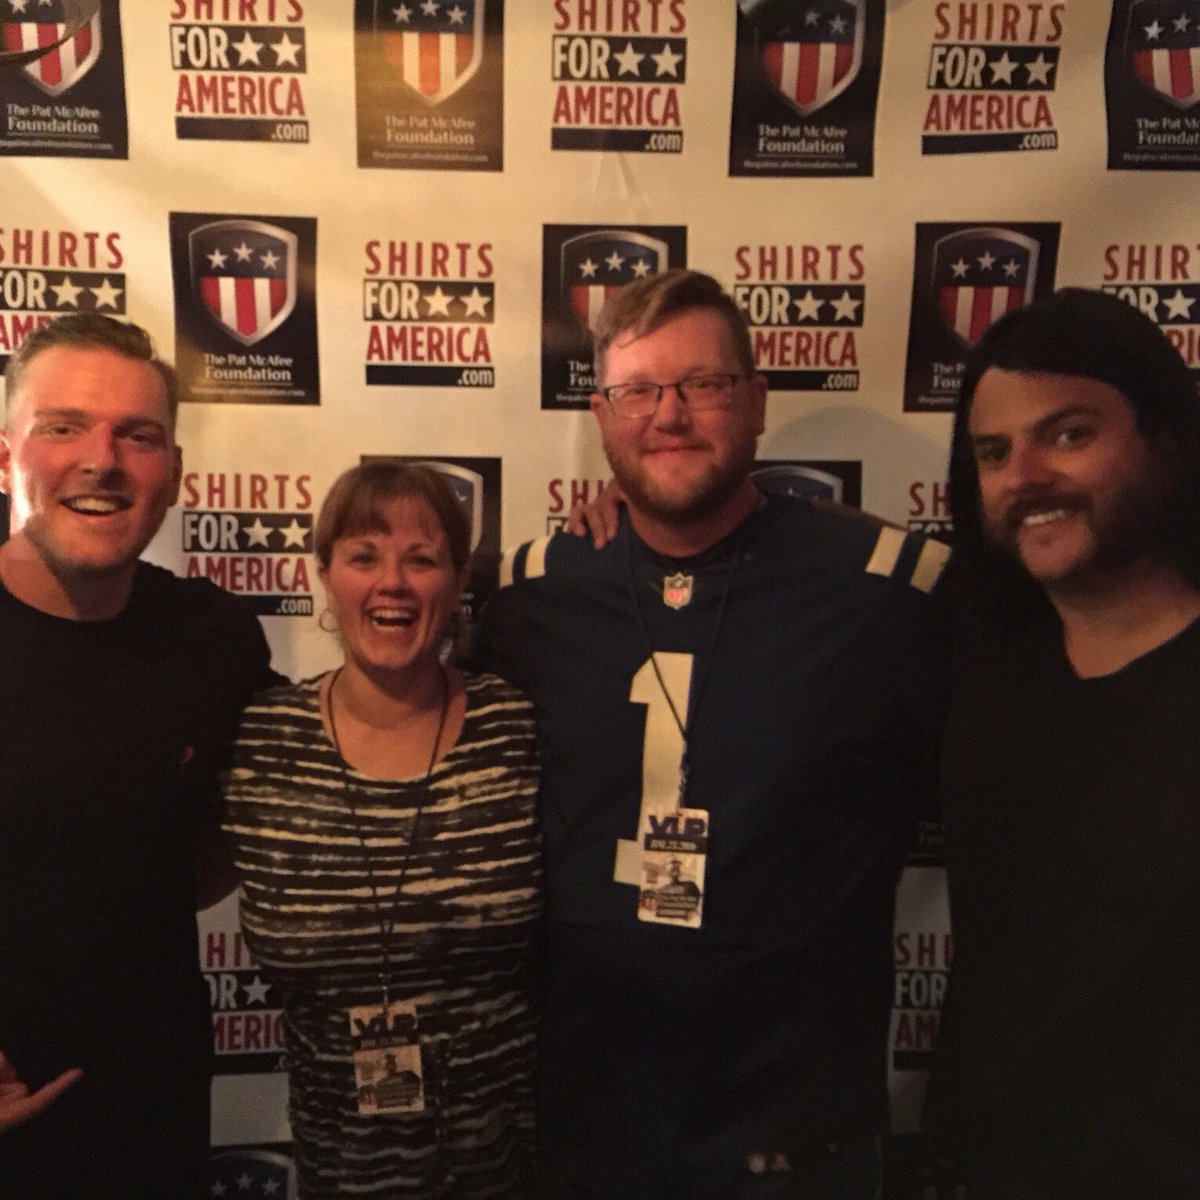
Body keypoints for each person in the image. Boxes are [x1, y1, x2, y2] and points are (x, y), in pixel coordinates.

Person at [478, 269, 949, 1198]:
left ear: (757, 400)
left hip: (798, 1129)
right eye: (639, 391)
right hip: (594, 1121)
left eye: (704, 384)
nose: (670, 414)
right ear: (603, 416)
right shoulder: (531, 597)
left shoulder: (884, 592)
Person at [923, 288, 1200, 1196]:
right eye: (993, 453)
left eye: (1069, 435)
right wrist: (639, 511)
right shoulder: (973, 641)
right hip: (982, 1166)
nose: (1025, 477)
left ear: (1166, 440)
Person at [0, 313, 274, 1198]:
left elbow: (227, 839)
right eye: (63, 427)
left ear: (174, 472)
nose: (102, 460)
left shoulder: (215, 636)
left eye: (138, 436)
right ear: (7, 455)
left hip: (156, 1128)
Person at [222, 462, 540, 1199]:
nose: (391, 582)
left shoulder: (517, 725)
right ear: (325, 576)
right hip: (340, 1169)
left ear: (458, 583)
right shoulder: (260, 739)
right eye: (363, 556)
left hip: (508, 1168)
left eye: (420, 559)